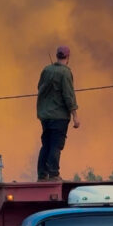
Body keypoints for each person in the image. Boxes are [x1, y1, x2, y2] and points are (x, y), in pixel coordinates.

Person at [36, 45, 80, 182]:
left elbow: (39, 87)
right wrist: (75, 116)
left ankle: (42, 175)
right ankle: (54, 174)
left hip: (45, 116)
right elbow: (68, 95)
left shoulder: (46, 70)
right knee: (56, 145)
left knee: (46, 144)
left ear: (57, 56)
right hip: (59, 116)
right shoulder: (65, 73)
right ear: (68, 57)